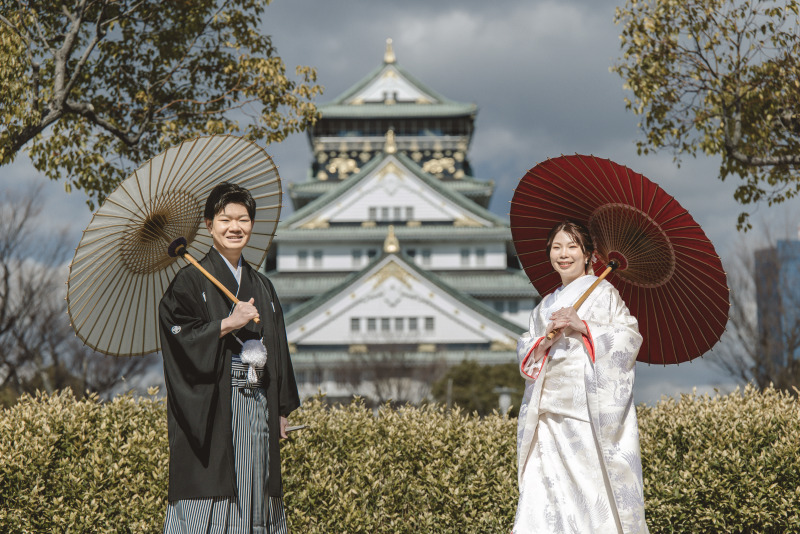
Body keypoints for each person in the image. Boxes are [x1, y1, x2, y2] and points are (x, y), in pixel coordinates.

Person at [159, 182, 300, 534]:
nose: (235, 227)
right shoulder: (189, 282)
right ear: (209, 225)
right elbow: (178, 337)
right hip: (216, 407)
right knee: (215, 494)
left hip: (259, 404)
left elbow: (278, 349)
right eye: (225, 220)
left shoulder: (263, 286)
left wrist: (280, 409)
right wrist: (226, 324)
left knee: (257, 492)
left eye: (243, 219)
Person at [512, 221, 648, 534]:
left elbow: (628, 339)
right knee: (544, 496)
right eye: (556, 247)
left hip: (586, 412)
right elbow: (526, 349)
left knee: (588, 496)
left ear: (588, 254)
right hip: (547, 415)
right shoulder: (545, 305)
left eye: (572, 247)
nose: (564, 254)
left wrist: (583, 326)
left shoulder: (604, 294)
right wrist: (544, 339)